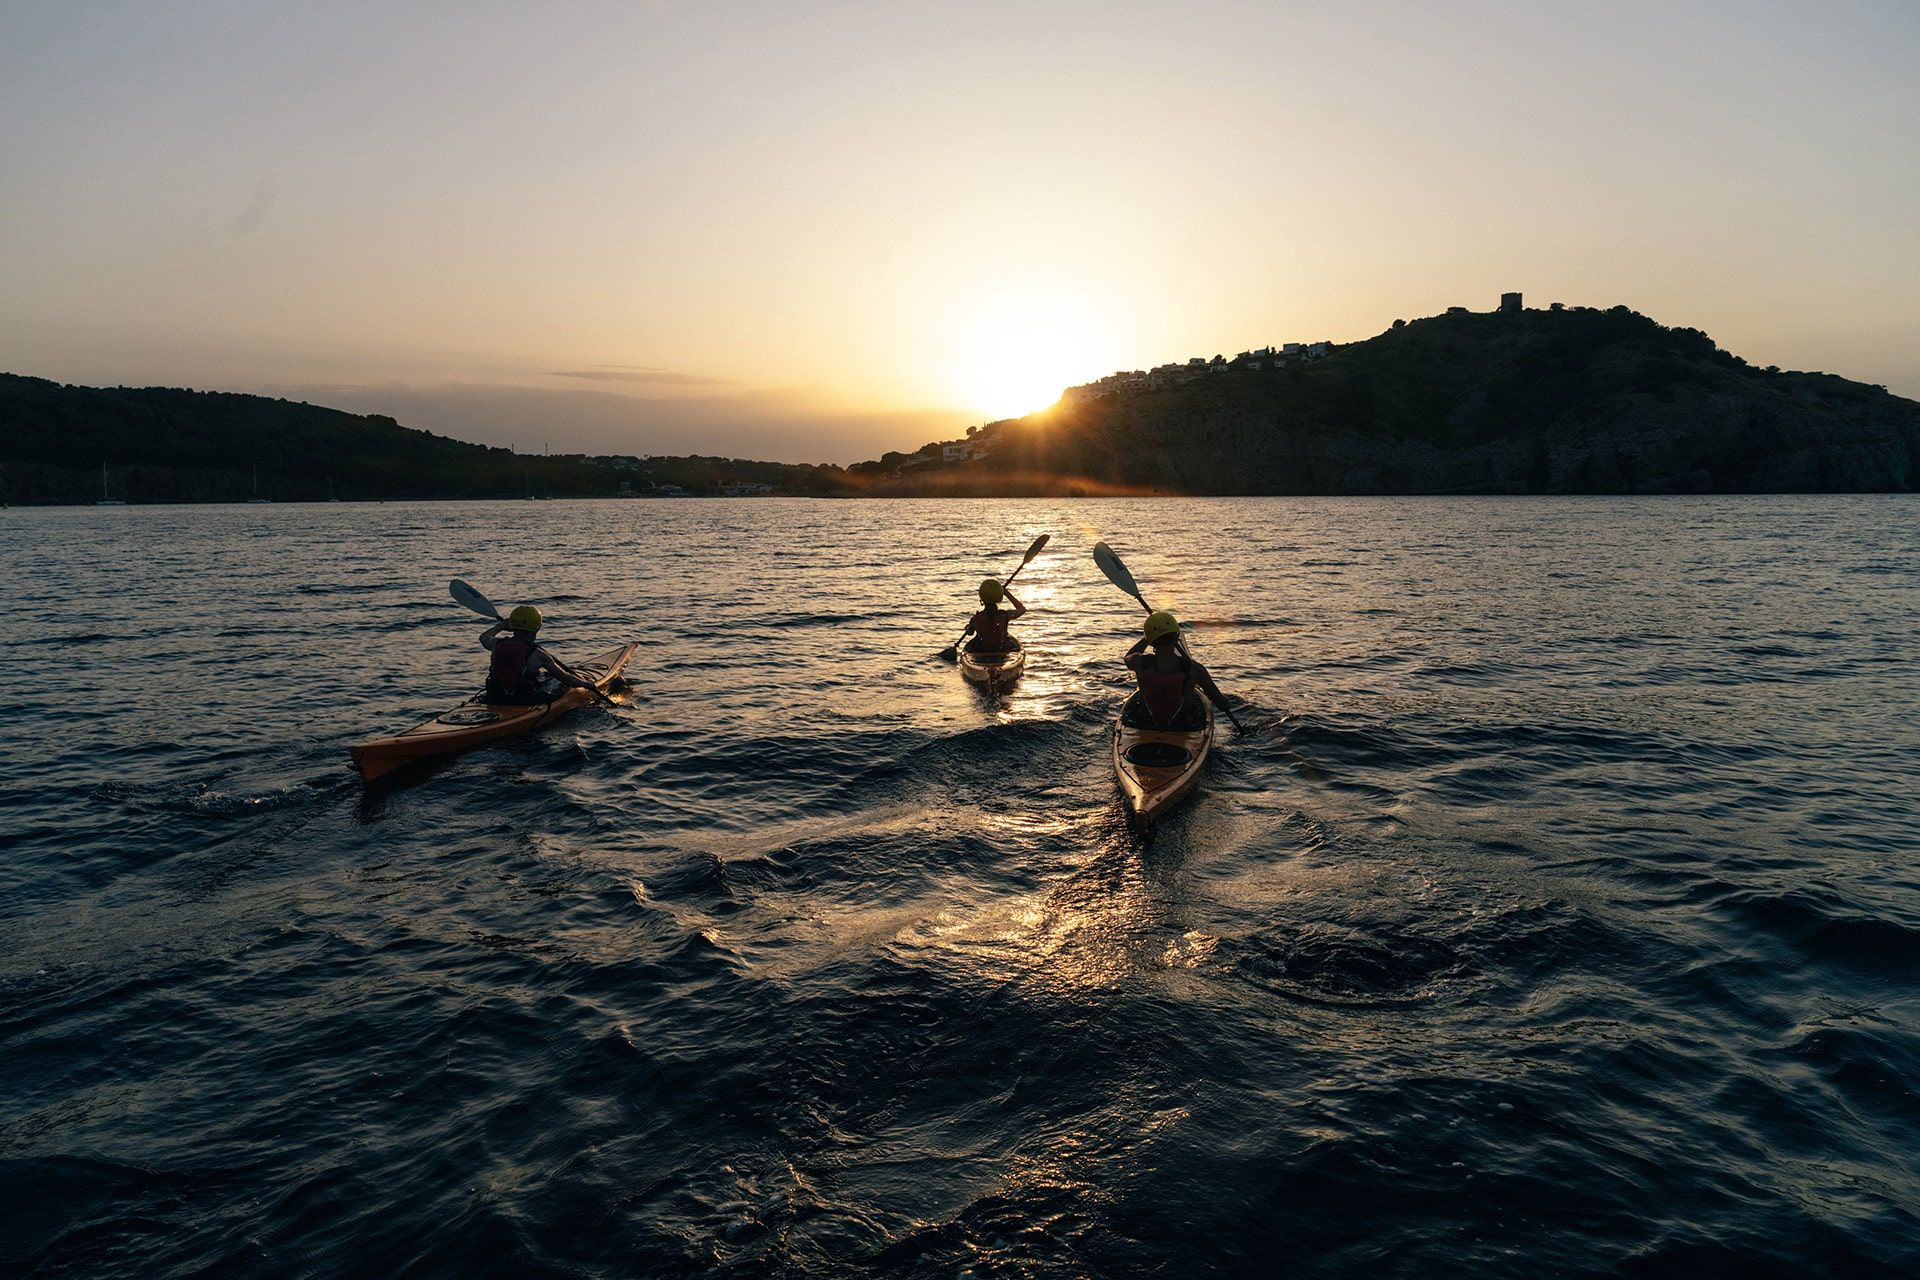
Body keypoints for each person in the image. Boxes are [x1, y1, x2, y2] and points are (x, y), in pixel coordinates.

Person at [1122, 611, 1231, 730]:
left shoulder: (1139, 662)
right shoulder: (1194, 669)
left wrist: (1148, 638)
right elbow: (1222, 705)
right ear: (1176, 637)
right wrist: (1227, 701)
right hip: (1181, 726)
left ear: (1151, 641)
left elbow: (1128, 656)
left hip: (1145, 723)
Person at [480, 605, 598, 704]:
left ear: (511, 626)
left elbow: (484, 637)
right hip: (524, 701)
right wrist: (587, 684)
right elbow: (567, 679)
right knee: (557, 684)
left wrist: (501, 626)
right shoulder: (538, 655)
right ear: (536, 628)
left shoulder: (496, 645)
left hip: (494, 698)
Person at [962, 578, 1026, 654]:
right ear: (1000, 596)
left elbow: (970, 632)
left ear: (982, 597)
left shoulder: (975, 619)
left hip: (981, 650)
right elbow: (1022, 609)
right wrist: (1007, 593)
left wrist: (967, 628)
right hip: (1002, 650)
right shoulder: (1004, 615)